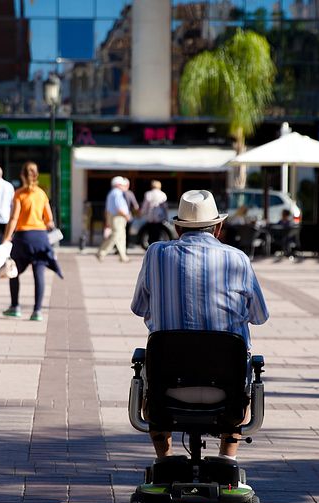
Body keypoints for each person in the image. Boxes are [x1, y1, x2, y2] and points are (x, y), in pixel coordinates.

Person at [130, 189, 269, 460]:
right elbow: (259, 316)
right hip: (227, 390)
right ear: (218, 227)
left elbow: (138, 308)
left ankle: (165, 460)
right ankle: (227, 460)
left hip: (166, 387)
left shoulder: (156, 254)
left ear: (178, 228)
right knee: (245, 371)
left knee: (151, 369)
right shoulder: (238, 258)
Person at [1, 161, 63, 322]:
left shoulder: (19, 194)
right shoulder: (42, 194)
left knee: (13, 271)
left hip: (23, 238)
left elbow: (14, 218)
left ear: (22, 175)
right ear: (36, 176)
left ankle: (15, 307)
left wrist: (6, 238)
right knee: (39, 274)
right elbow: (49, 220)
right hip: (40, 238)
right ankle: (37, 311)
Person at [96, 176, 132, 262]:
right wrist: (126, 215)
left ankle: (123, 256)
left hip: (115, 217)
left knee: (121, 237)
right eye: (122, 185)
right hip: (118, 217)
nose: (124, 186)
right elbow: (119, 208)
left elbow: (107, 209)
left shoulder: (112, 193)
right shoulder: (117, 193)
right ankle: (102, 252)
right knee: (116, 236)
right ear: (118, 185)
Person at [138, 180, 169, 246]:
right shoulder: (162, 194)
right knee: (157, 234)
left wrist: (141, 214)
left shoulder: (148, 194)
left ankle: (151, 247)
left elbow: (145, 206)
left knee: (150, 234)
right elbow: (165, 207)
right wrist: (166, 217)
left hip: (150, 217)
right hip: (159, 217)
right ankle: (157, 247)